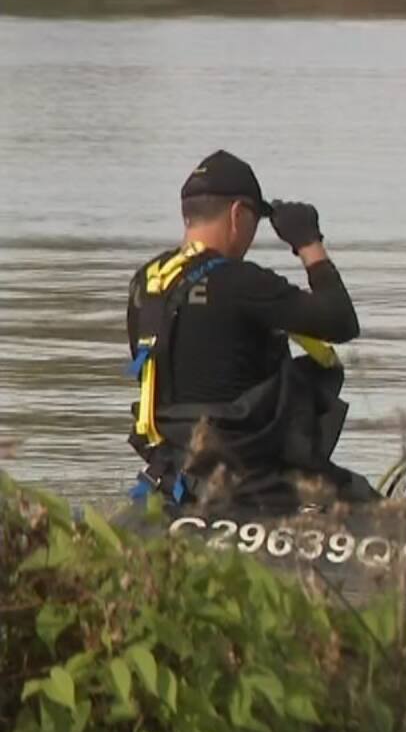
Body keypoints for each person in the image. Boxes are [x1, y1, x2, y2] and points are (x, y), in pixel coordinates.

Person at [126, 149, 372, 511]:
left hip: (171, 475)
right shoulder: (242, 282)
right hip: (249, 484)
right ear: (238, 214)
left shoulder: (146, 284)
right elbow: (340, 321)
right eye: (255, 222)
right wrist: (308, 245)